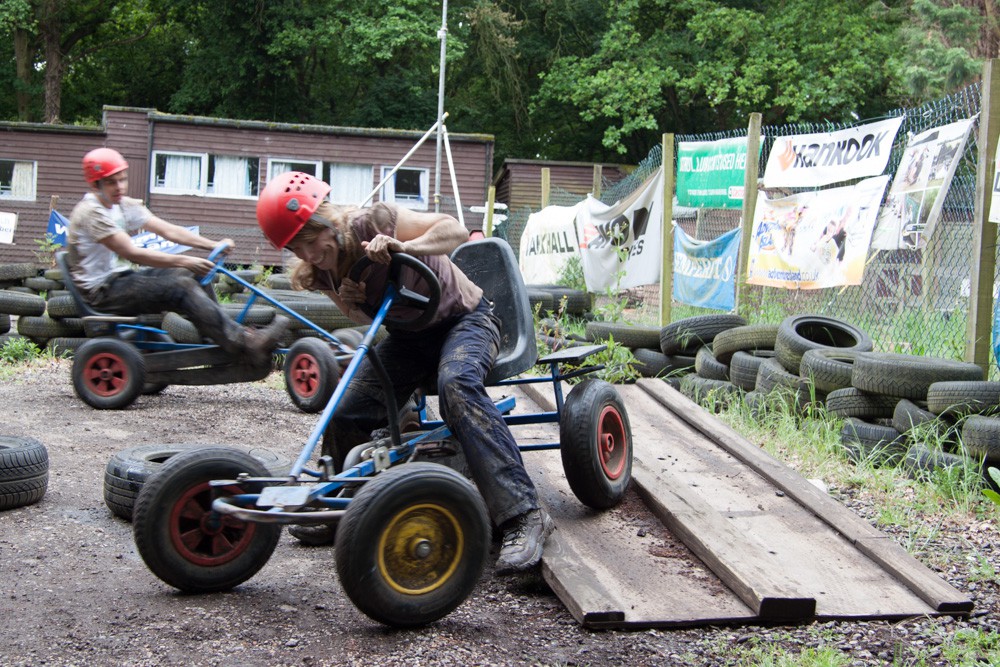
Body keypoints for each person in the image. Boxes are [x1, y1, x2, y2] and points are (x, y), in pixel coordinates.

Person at [255, 170, 554, 574]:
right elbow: (363, 316)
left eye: (311, 240)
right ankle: (339, 505)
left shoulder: (374, 221)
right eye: (297, 247)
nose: (308, 254)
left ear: (325, 220)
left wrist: (404, 246)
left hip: (466, 321)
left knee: (457, 385)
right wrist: (351, 300)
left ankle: (523, 514)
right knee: (347, 410)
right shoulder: (319, 271)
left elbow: (454, 230)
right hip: (410, 339)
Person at [66, 147, 288, 364]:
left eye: (122, 179)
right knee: (181, 287)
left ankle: (218, 337)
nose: (119, 187)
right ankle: (244, 343)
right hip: (101, 292)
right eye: (111, 182)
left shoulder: (121, 205)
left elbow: (169, 231)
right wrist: (186, 260)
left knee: (191, 276)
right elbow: (131, 252)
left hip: (119, 279)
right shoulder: (91, 213)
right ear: (95, 185)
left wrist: (212, 245)